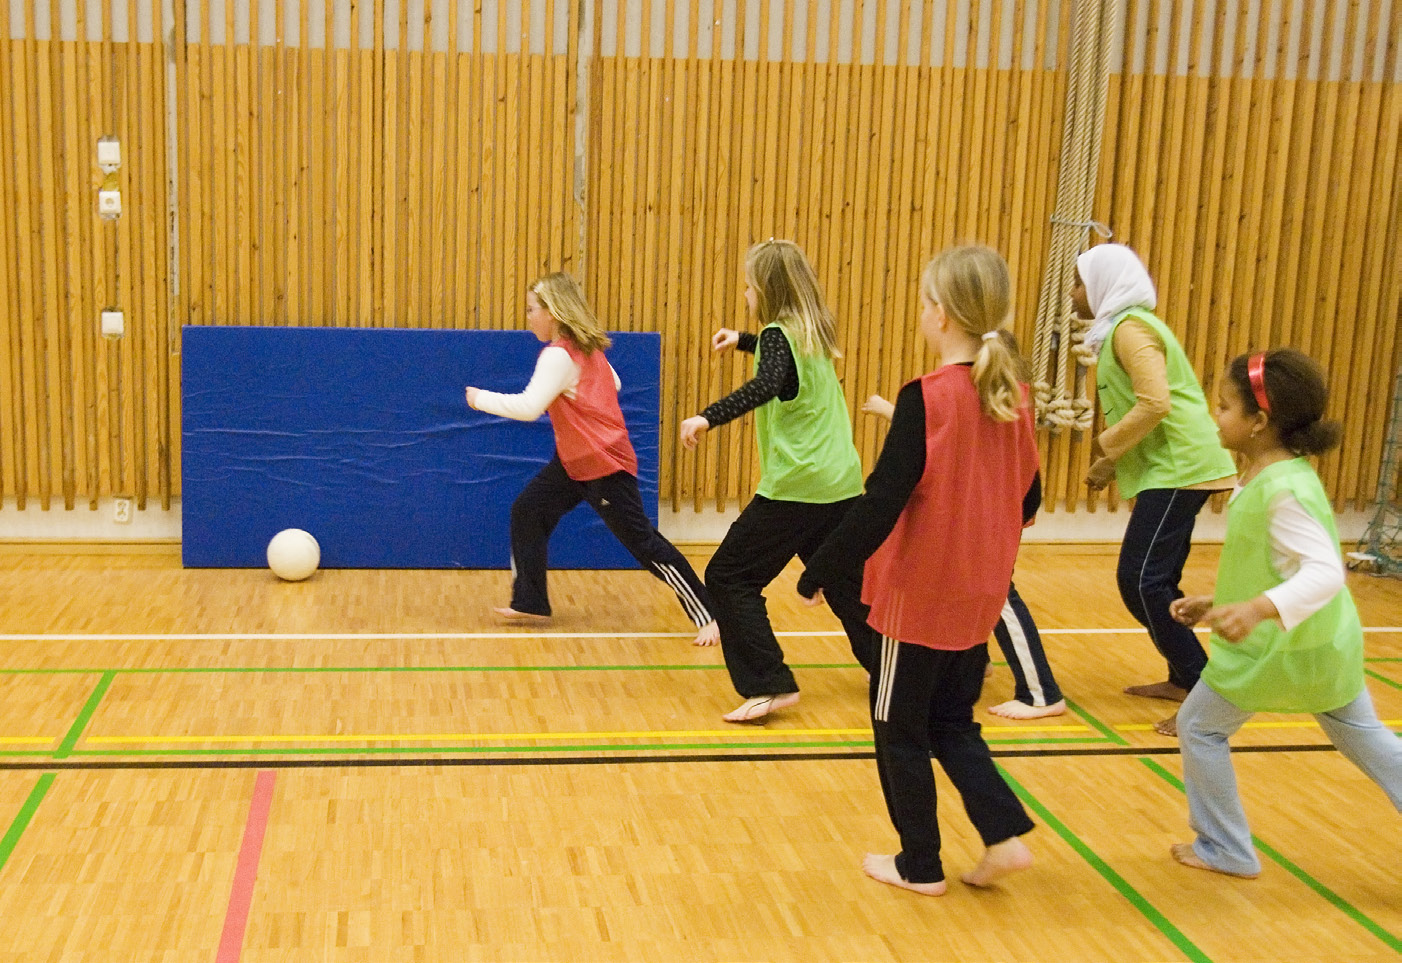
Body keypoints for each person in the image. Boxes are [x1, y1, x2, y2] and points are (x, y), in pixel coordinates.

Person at [798, 246, 1039, 895]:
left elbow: (881, 500)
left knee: (897, 727)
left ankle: (920, 862)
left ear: (940, 313)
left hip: (919, 597)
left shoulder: (926, 397)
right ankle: (1002, 833)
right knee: (952, 721)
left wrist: (820, 566)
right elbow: (1031, 498)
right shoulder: (1013, 393)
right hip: (981, 590)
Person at [1168, 348, 1402, 878]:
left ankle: (1225, 848)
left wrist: (1253, 609)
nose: (1216, 416)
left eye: (1225, 407)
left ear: (1259, 423)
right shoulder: (1275, 476)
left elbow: (1324, 572)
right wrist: (1223, 600)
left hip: (1277, 651)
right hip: (1322, 646)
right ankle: (1224, 847)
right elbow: (1276, 565)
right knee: (1372, 744)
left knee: (1199, 728)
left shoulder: (1283, 489)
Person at [679, 239, 876, 723]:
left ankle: (768, 682)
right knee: (848, 586)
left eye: (748, 285)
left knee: (729, 576)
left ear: (765, 289)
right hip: (841, 481)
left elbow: (769, 383)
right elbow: (784, 370)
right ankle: (905, 668)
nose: (745, 293)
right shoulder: (812, 329)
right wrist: (741, 339)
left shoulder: (776, 334)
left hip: (799, 485)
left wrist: (707, 417)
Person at [466, 272, 719, 646]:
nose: (528, 317)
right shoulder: (585, 349)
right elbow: (611, 383)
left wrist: (478, 399)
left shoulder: (558, 355)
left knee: (644, 544)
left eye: (532, 309)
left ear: (553, 312)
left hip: (602, 466)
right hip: (573, 463)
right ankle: (531, 600)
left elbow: (529, 406)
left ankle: (709, 613)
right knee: (528, 510)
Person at [1072, 244, 1237, 736]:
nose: (1074, 294)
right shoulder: (1121, 328)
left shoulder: (1131, 329)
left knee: (1141, 581)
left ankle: (1205, 690)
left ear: (1103, 285)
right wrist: (1109, 463)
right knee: (1154, 579)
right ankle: (1183, 677)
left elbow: (1155, 402)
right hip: (1172, 468)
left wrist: (1106, 446)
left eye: (1078, 284)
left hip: (1181, 467)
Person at [861, 339, 1065, 720]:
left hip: (986, 529)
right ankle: (973, 656)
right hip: (979, 526)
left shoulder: (1005, 400)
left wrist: (1005, 526)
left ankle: (1041, 692)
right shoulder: (989, 397)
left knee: (1001, 599)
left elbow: (1024, 478)